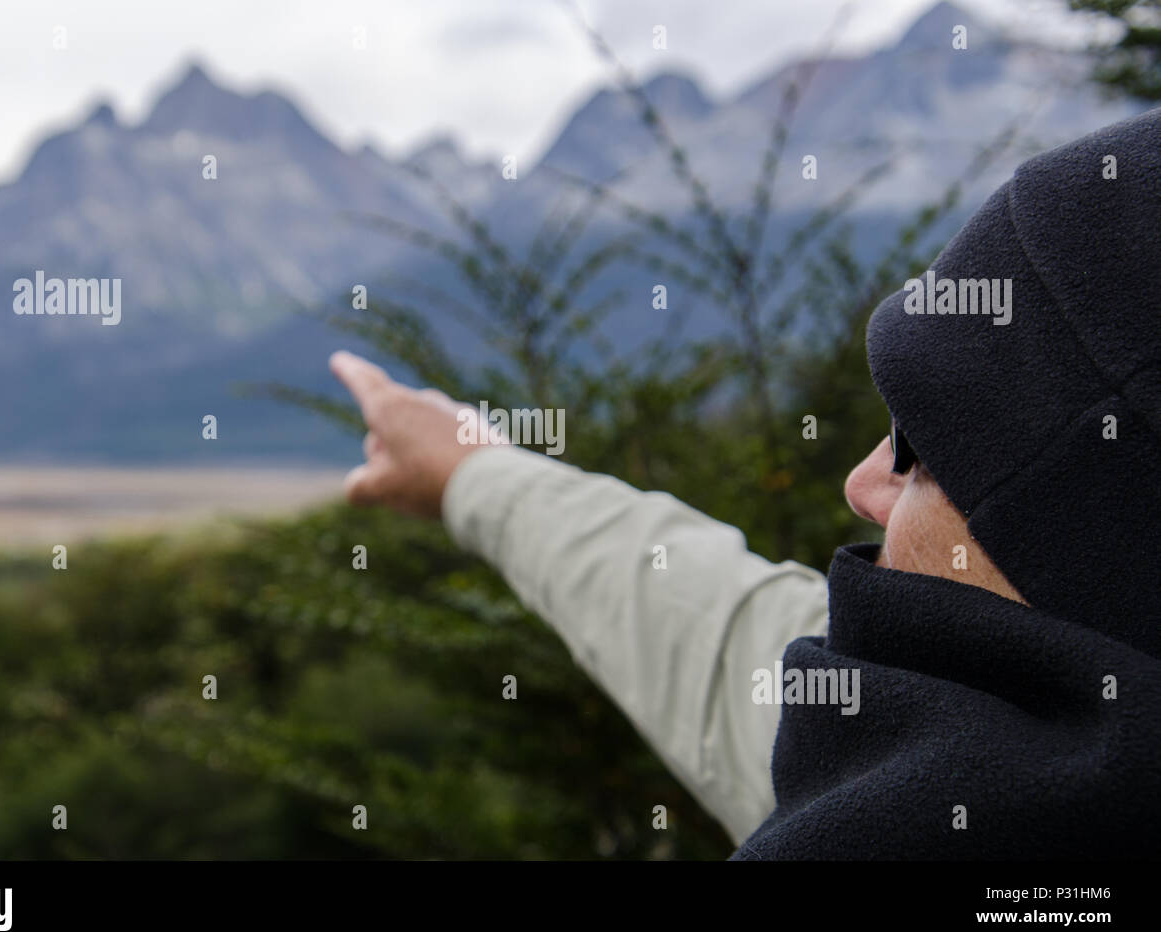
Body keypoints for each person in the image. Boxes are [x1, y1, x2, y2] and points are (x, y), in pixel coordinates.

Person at [329, 108, 1161, 859]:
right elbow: (720, 637)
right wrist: (474, 471)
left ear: (1096, 552)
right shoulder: (913, 750)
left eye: (923, 446)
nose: (864, 483)